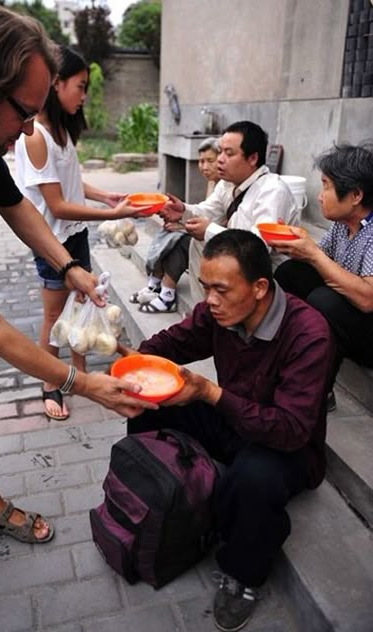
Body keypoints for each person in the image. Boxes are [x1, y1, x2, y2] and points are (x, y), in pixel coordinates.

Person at [0, 6, 155, 587]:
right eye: (25, 111)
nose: (31, 126)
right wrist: (84, 383)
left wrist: (68, 267)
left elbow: (14, 203)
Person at [119, 230, 335, 631]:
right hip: (235, 420)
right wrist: (131, 362)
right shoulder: (215, 314)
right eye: (205, 288)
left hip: (287, 446)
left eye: (221, 289)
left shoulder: (308, 333)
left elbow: (290, 429)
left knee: (251, 480)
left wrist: (210, 393)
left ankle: (243, 575)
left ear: (259, 288)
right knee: (149, 406)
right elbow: (170, 344)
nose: (211, 300)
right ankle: (157, 495)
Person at [14, 45, 143, 421]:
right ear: (56, 84)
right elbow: (57, 205)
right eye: (80, 86)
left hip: (75, 235)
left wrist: (107, 195)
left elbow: (72, 183)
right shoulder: (35, 135)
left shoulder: (61, 132)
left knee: (83, 303)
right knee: (54, 317)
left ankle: (79, 374)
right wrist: (112, 212)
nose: (84, 95)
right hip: (51, 240)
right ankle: (50, 383)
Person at [273, 143, 373, 411]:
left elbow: (367, 299)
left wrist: (313, 255)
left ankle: (318, 392)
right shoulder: (343, 225)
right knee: (290, 273)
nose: (320, 196)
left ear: (355, 195)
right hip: (350, 312)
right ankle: (285, 357)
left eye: (326, 185)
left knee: (323, 301)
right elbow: (318, 257)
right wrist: (295, 244)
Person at [160, 121, 299, 304]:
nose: (220, 159)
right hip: (236, 260)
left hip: (266, 272)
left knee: (204, 240)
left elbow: (258, 248)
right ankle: (204, 314)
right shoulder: (228, 184)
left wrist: (209, 231)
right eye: (221, 151)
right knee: (197, 242)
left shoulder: (273, 190)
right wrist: (183, 211)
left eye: (229, 153)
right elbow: (208, 211)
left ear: (252, 159)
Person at [129, 137, 221, 313]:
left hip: (218, 240)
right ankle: (155, 284)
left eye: (210, 160)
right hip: (208, 232)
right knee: (168, 230)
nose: (204, 166)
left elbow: (219, 222)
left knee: (179, 240)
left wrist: (183, 227)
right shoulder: (215, 183)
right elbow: (206, 211)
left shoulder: (228, 185)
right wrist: (180, 219)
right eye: (201, 161)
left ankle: (167, 295)